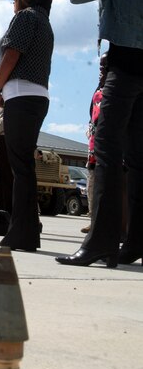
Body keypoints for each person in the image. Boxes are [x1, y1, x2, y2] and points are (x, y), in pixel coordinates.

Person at [57, 0, 143, 267]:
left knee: (107, 150)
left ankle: (101, 242)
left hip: (125, 65)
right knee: (137, 158)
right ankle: (135, 241)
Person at [0, 0, 54, 252]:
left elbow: (11, 54)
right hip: (36, 96)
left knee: (20, 168)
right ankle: (27, 232)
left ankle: (21, 234)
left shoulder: (25, 17)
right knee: (24, 167)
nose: (13, 0)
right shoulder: (44, 22)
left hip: (22, 95)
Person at [81, 54, 108, 234]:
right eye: (100, 65)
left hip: (110, 148)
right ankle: (94, 220)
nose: (101, 69)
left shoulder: (118, 92)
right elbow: (93, 115)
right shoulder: (97, 92)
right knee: (92, 185)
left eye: (105, 65)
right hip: (93, 148)